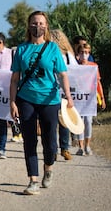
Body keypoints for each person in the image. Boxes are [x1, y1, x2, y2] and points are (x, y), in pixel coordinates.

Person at [9, 11, 74, 195]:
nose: (38, 26)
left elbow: (62, 75)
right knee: (29, 140)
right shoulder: (21, 49)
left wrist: (68, 96)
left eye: (41, 23)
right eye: (34, 23)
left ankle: (49, 167)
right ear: (29, 26)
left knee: (50, 142)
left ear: (46, 26)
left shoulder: (53, 48)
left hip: (49, 100)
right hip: (26, 99)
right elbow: (14, 79)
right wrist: (12, 102)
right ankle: (33, 181)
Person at [50, 29, 78, 161]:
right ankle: (55, 149)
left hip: (63, 92)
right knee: (53, 122)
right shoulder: (49, 53)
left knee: (63, 121)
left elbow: (75, 73)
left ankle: (64, 148)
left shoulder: (68, 56)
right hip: (50, 92)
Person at [75, 43, 106, 156]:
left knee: (88, 121)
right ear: (78, 54)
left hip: (90, 98)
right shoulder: (75, 67)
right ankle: (80, 146)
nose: (84, 55)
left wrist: (102, 97)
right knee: (79, 122)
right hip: (78, 98)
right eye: (82, 52)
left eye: (87, 52)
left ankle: (88, 145)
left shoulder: (93, 66)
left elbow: (98, 83)